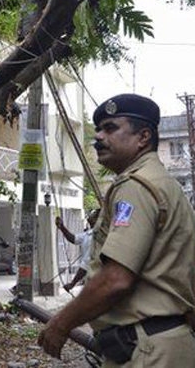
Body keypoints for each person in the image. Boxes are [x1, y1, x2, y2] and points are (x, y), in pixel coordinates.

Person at [38, 93, 195, 367]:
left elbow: (115, 279)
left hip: (147, 350)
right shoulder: (166, 185)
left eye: (110, 128)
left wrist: (60, 324)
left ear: (143, 137)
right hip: (162, 343)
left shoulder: (136, 186)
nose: (98, 137)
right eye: (98, 129)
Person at [56, 209, 99, 292]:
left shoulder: (95, 237)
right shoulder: (89, 234)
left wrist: (72, 283)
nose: (90, 217)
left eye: (93, 215)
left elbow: (86, 263)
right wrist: (62, 227)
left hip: (95, 277)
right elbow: (73, 239)